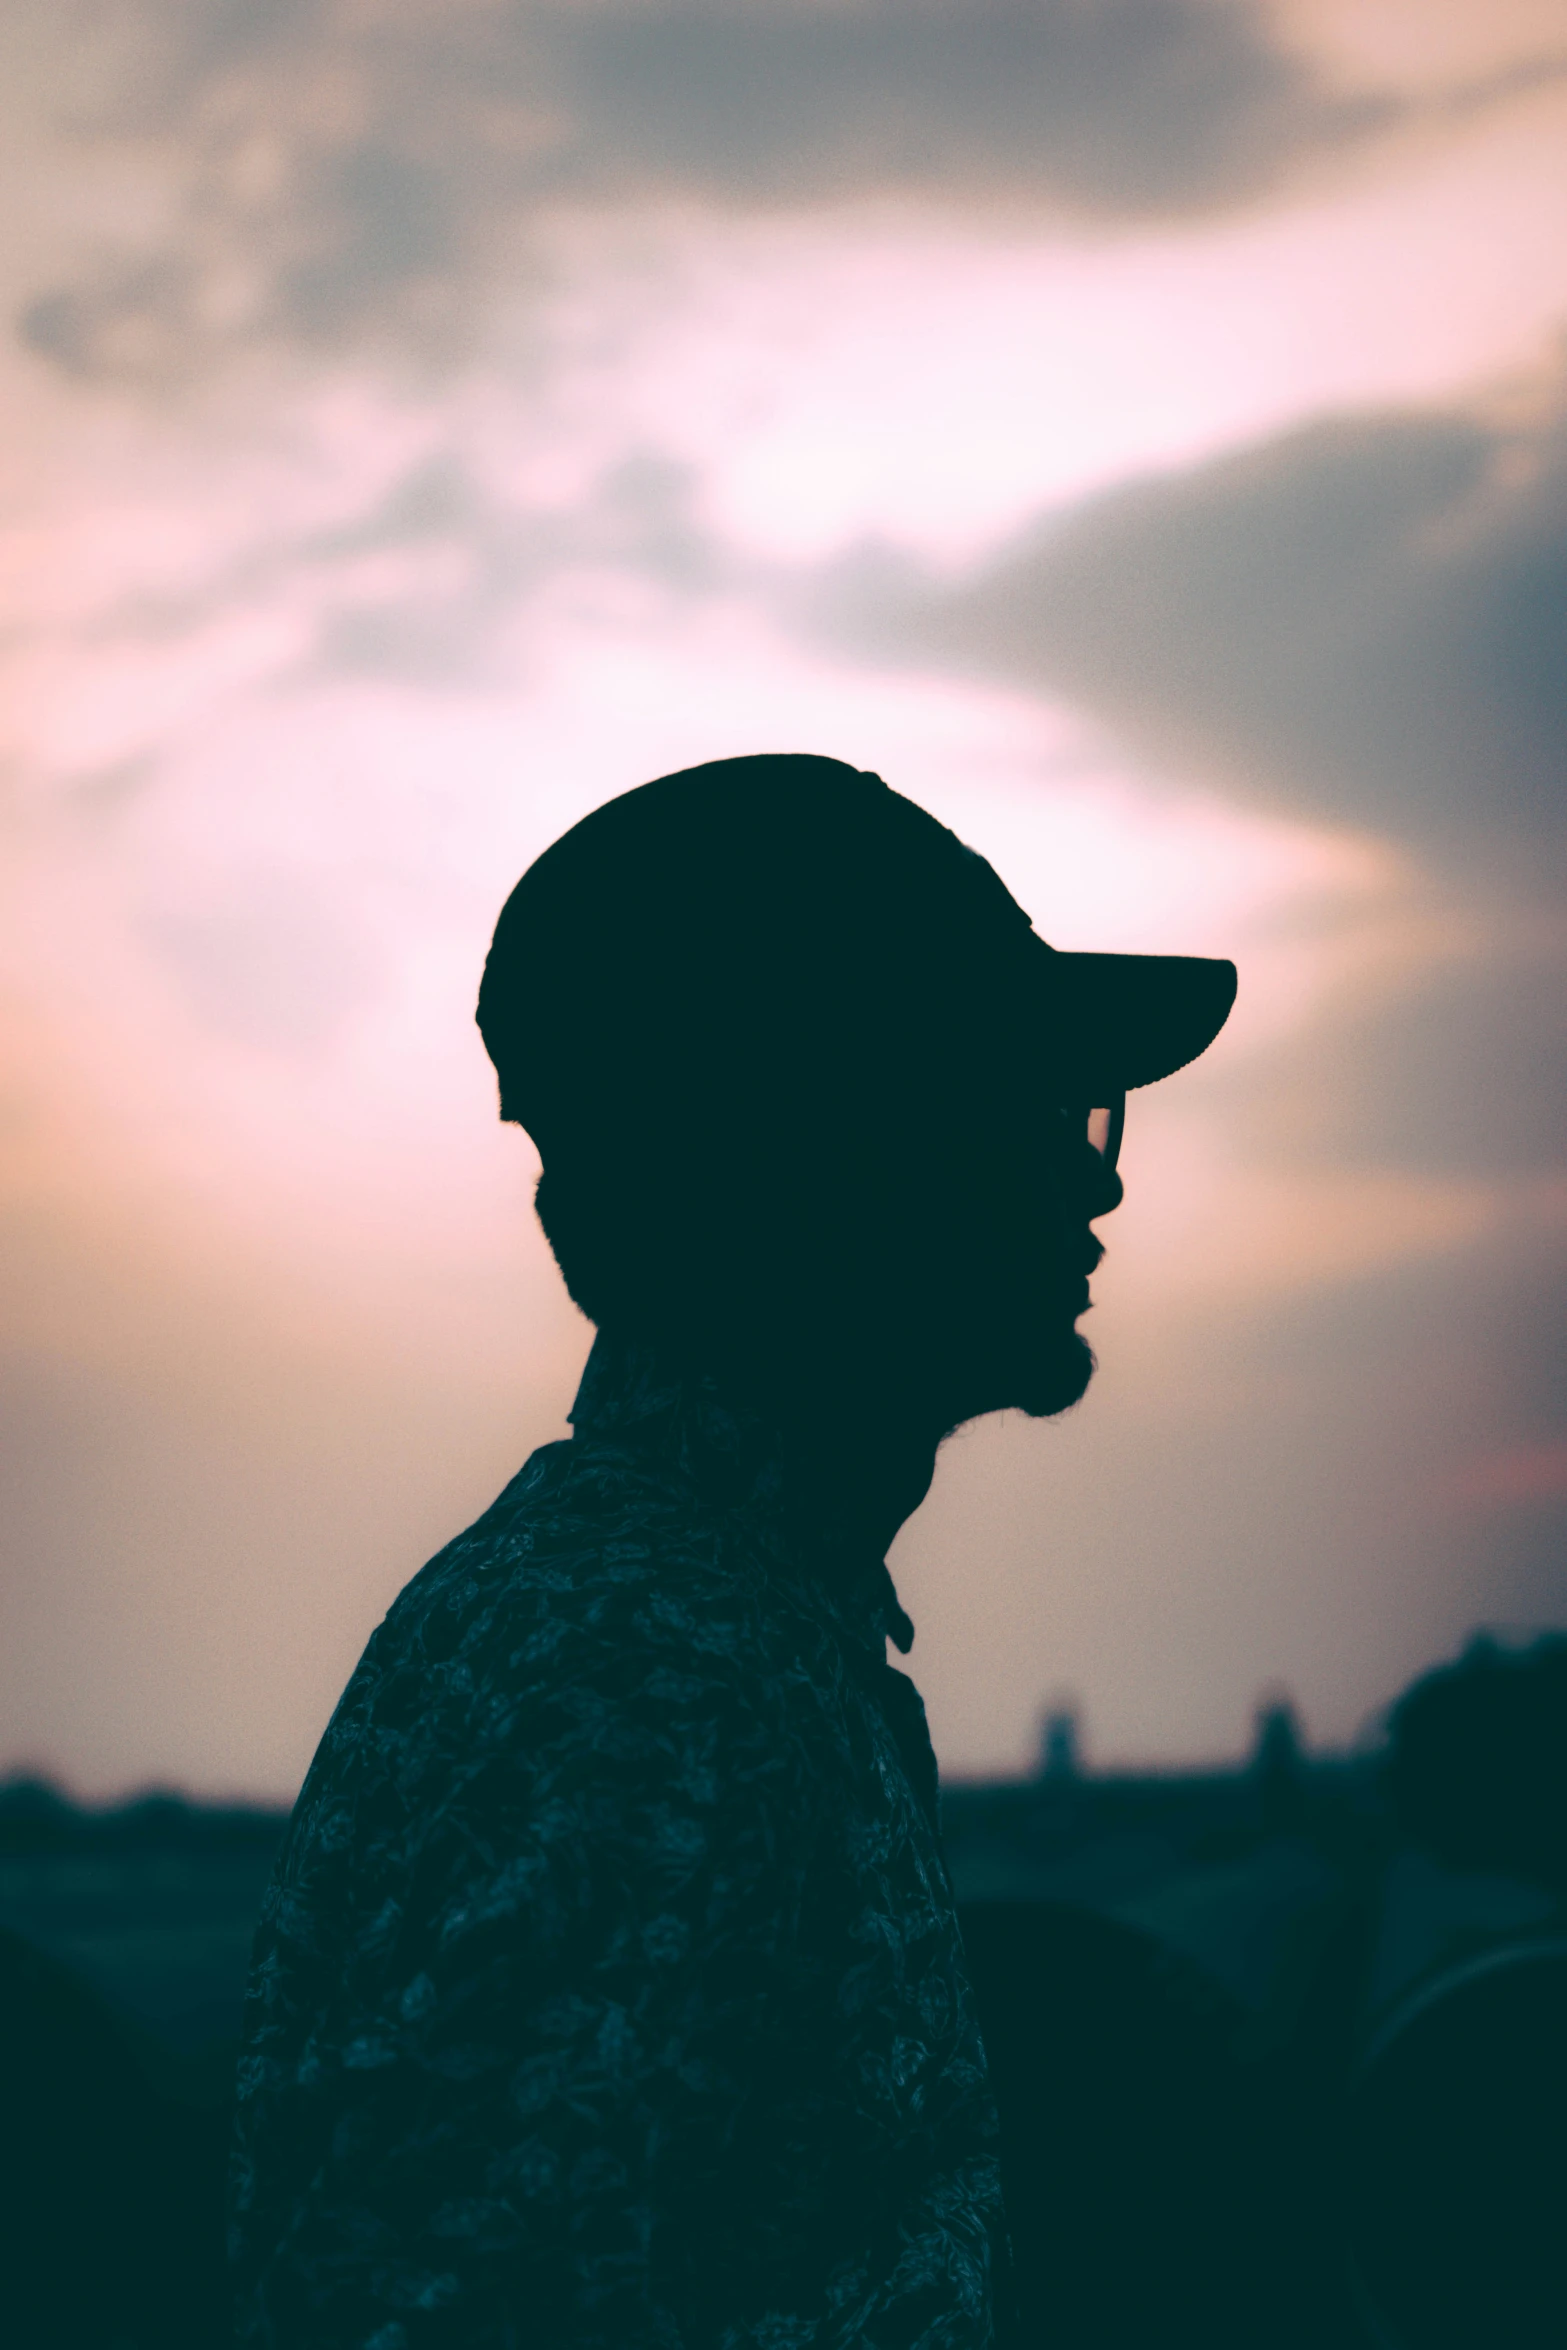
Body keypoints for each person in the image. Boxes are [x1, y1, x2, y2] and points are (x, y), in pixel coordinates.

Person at [229, 753, 1235, 2347]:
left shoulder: (702, 1620)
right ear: (835, 1159)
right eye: (1038, 1107)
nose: (1094, 1173)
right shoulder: (646, 1681)